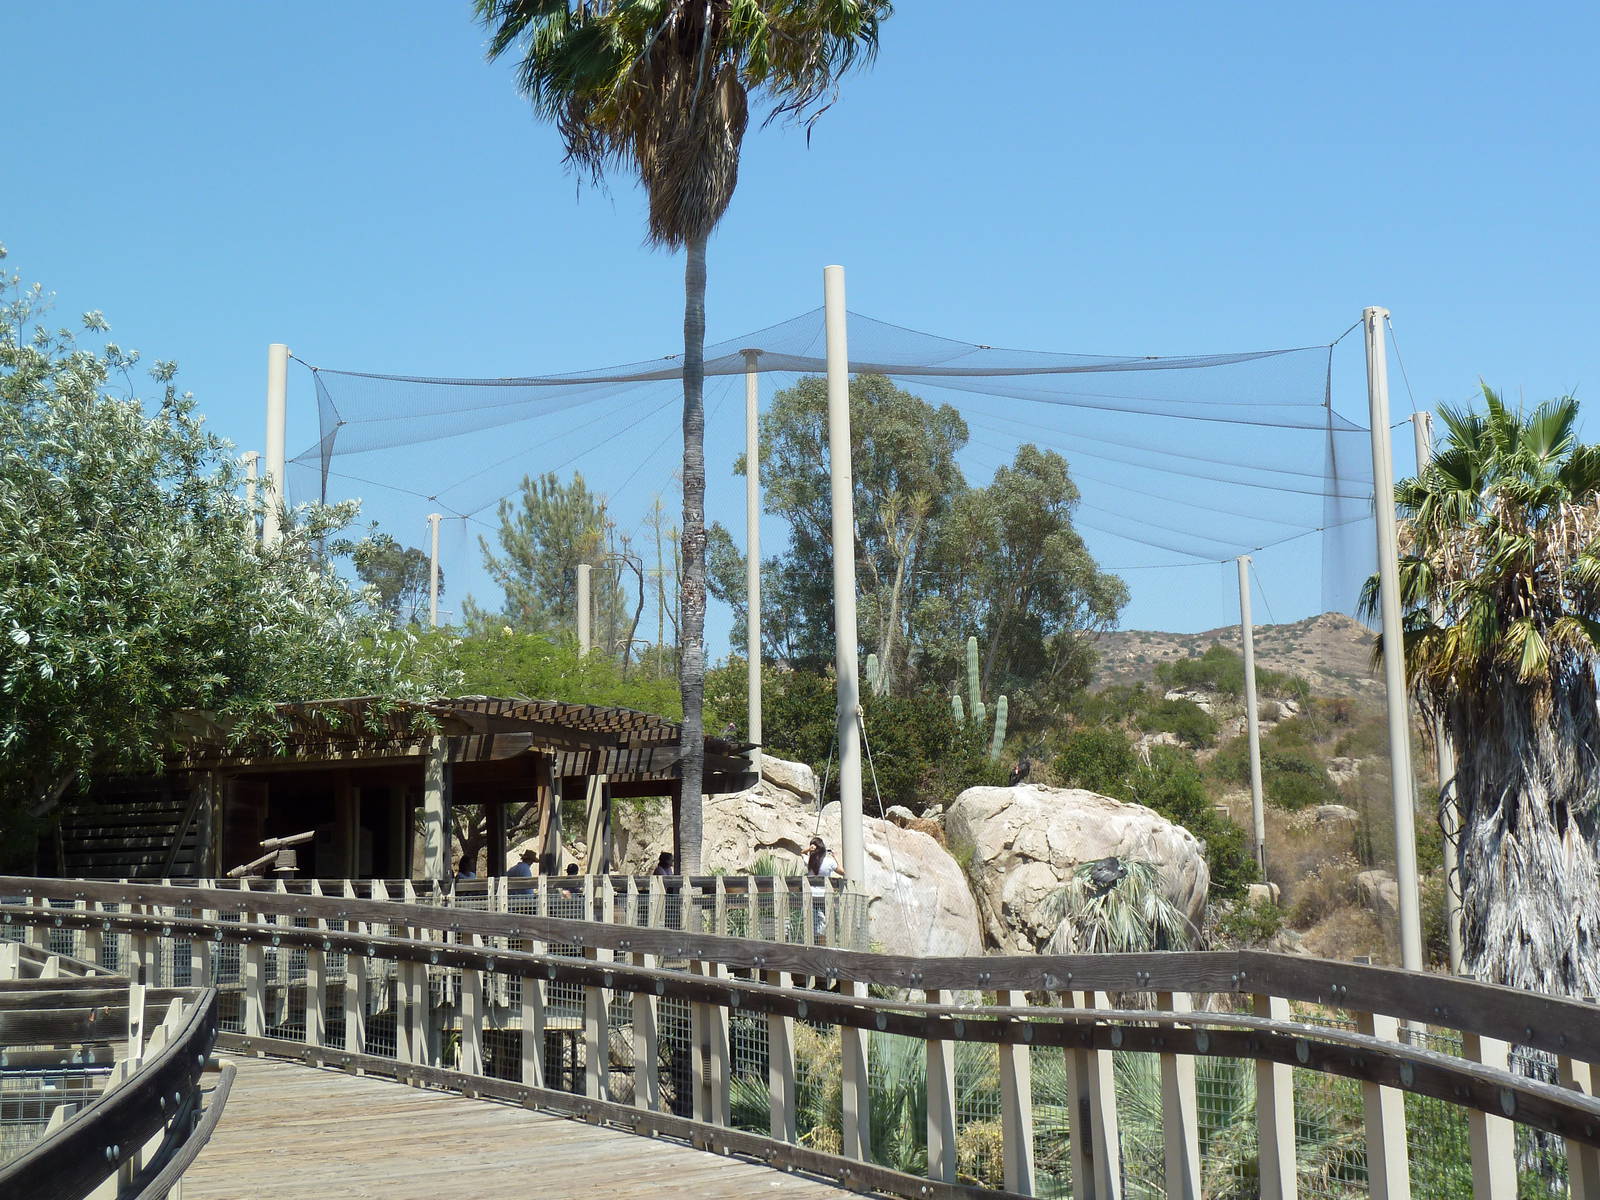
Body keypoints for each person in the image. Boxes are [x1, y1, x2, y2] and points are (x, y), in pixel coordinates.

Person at [805, 835, 843, 944]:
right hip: (825, 896)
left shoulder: (809, 860)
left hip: (811, 895)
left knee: (817, 921)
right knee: (828, 921)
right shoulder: (829, 861)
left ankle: (817, 943)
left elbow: (802, 853)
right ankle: (824, 944)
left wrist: (809, 849)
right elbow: (842, 871)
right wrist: (835, 857)